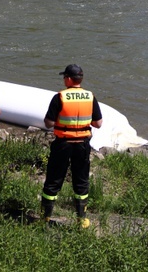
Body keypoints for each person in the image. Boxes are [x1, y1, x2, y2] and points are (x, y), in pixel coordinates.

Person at [41, 64, 103, 228]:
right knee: (81, 181)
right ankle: (81, 220)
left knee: (53, 180)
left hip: (63, 144)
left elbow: (48, 123)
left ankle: (45, 218)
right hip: (82, 145)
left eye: (64, 77)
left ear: (68, 79)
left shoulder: (60, 97)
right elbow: (98, 123)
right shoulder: (90, 96)